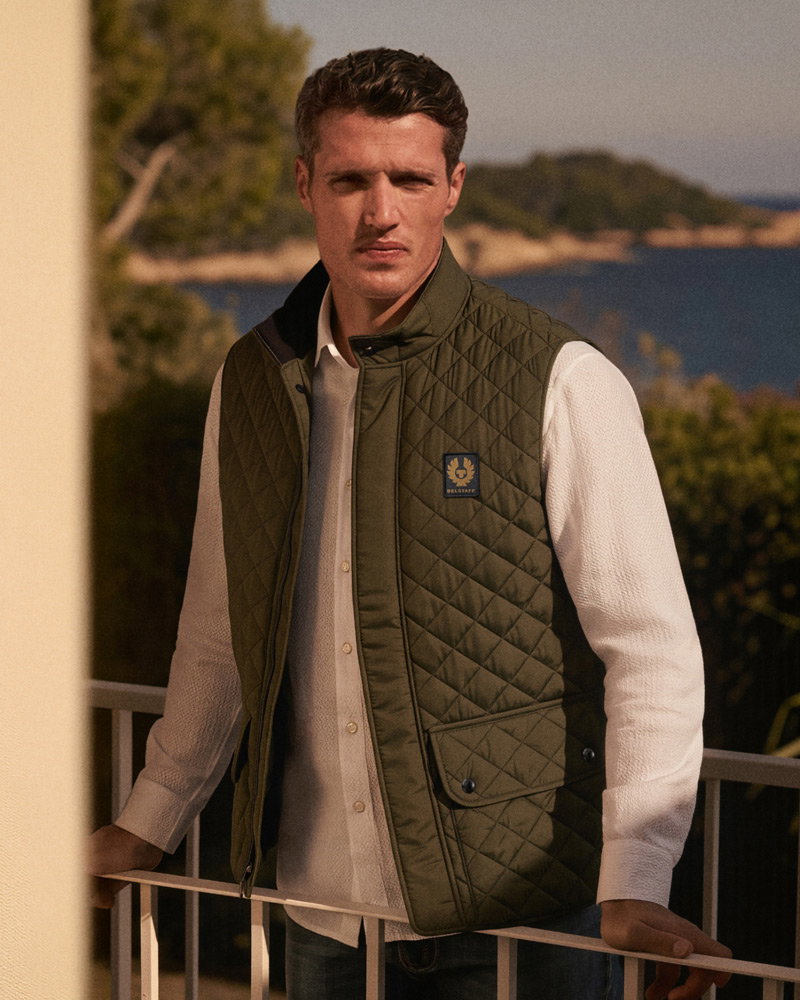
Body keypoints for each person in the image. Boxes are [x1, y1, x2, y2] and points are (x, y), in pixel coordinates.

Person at [90, 48, 731, 999]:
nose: (380, 211)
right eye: (350, 178)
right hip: (316, 920)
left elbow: (650, 650)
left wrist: (635, 883)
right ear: (305, 184)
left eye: (409, 179)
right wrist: (148, 821)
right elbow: (219, 633)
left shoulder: (561, 380)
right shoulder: (251, 382)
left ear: (454, 187)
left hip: (518, 927)